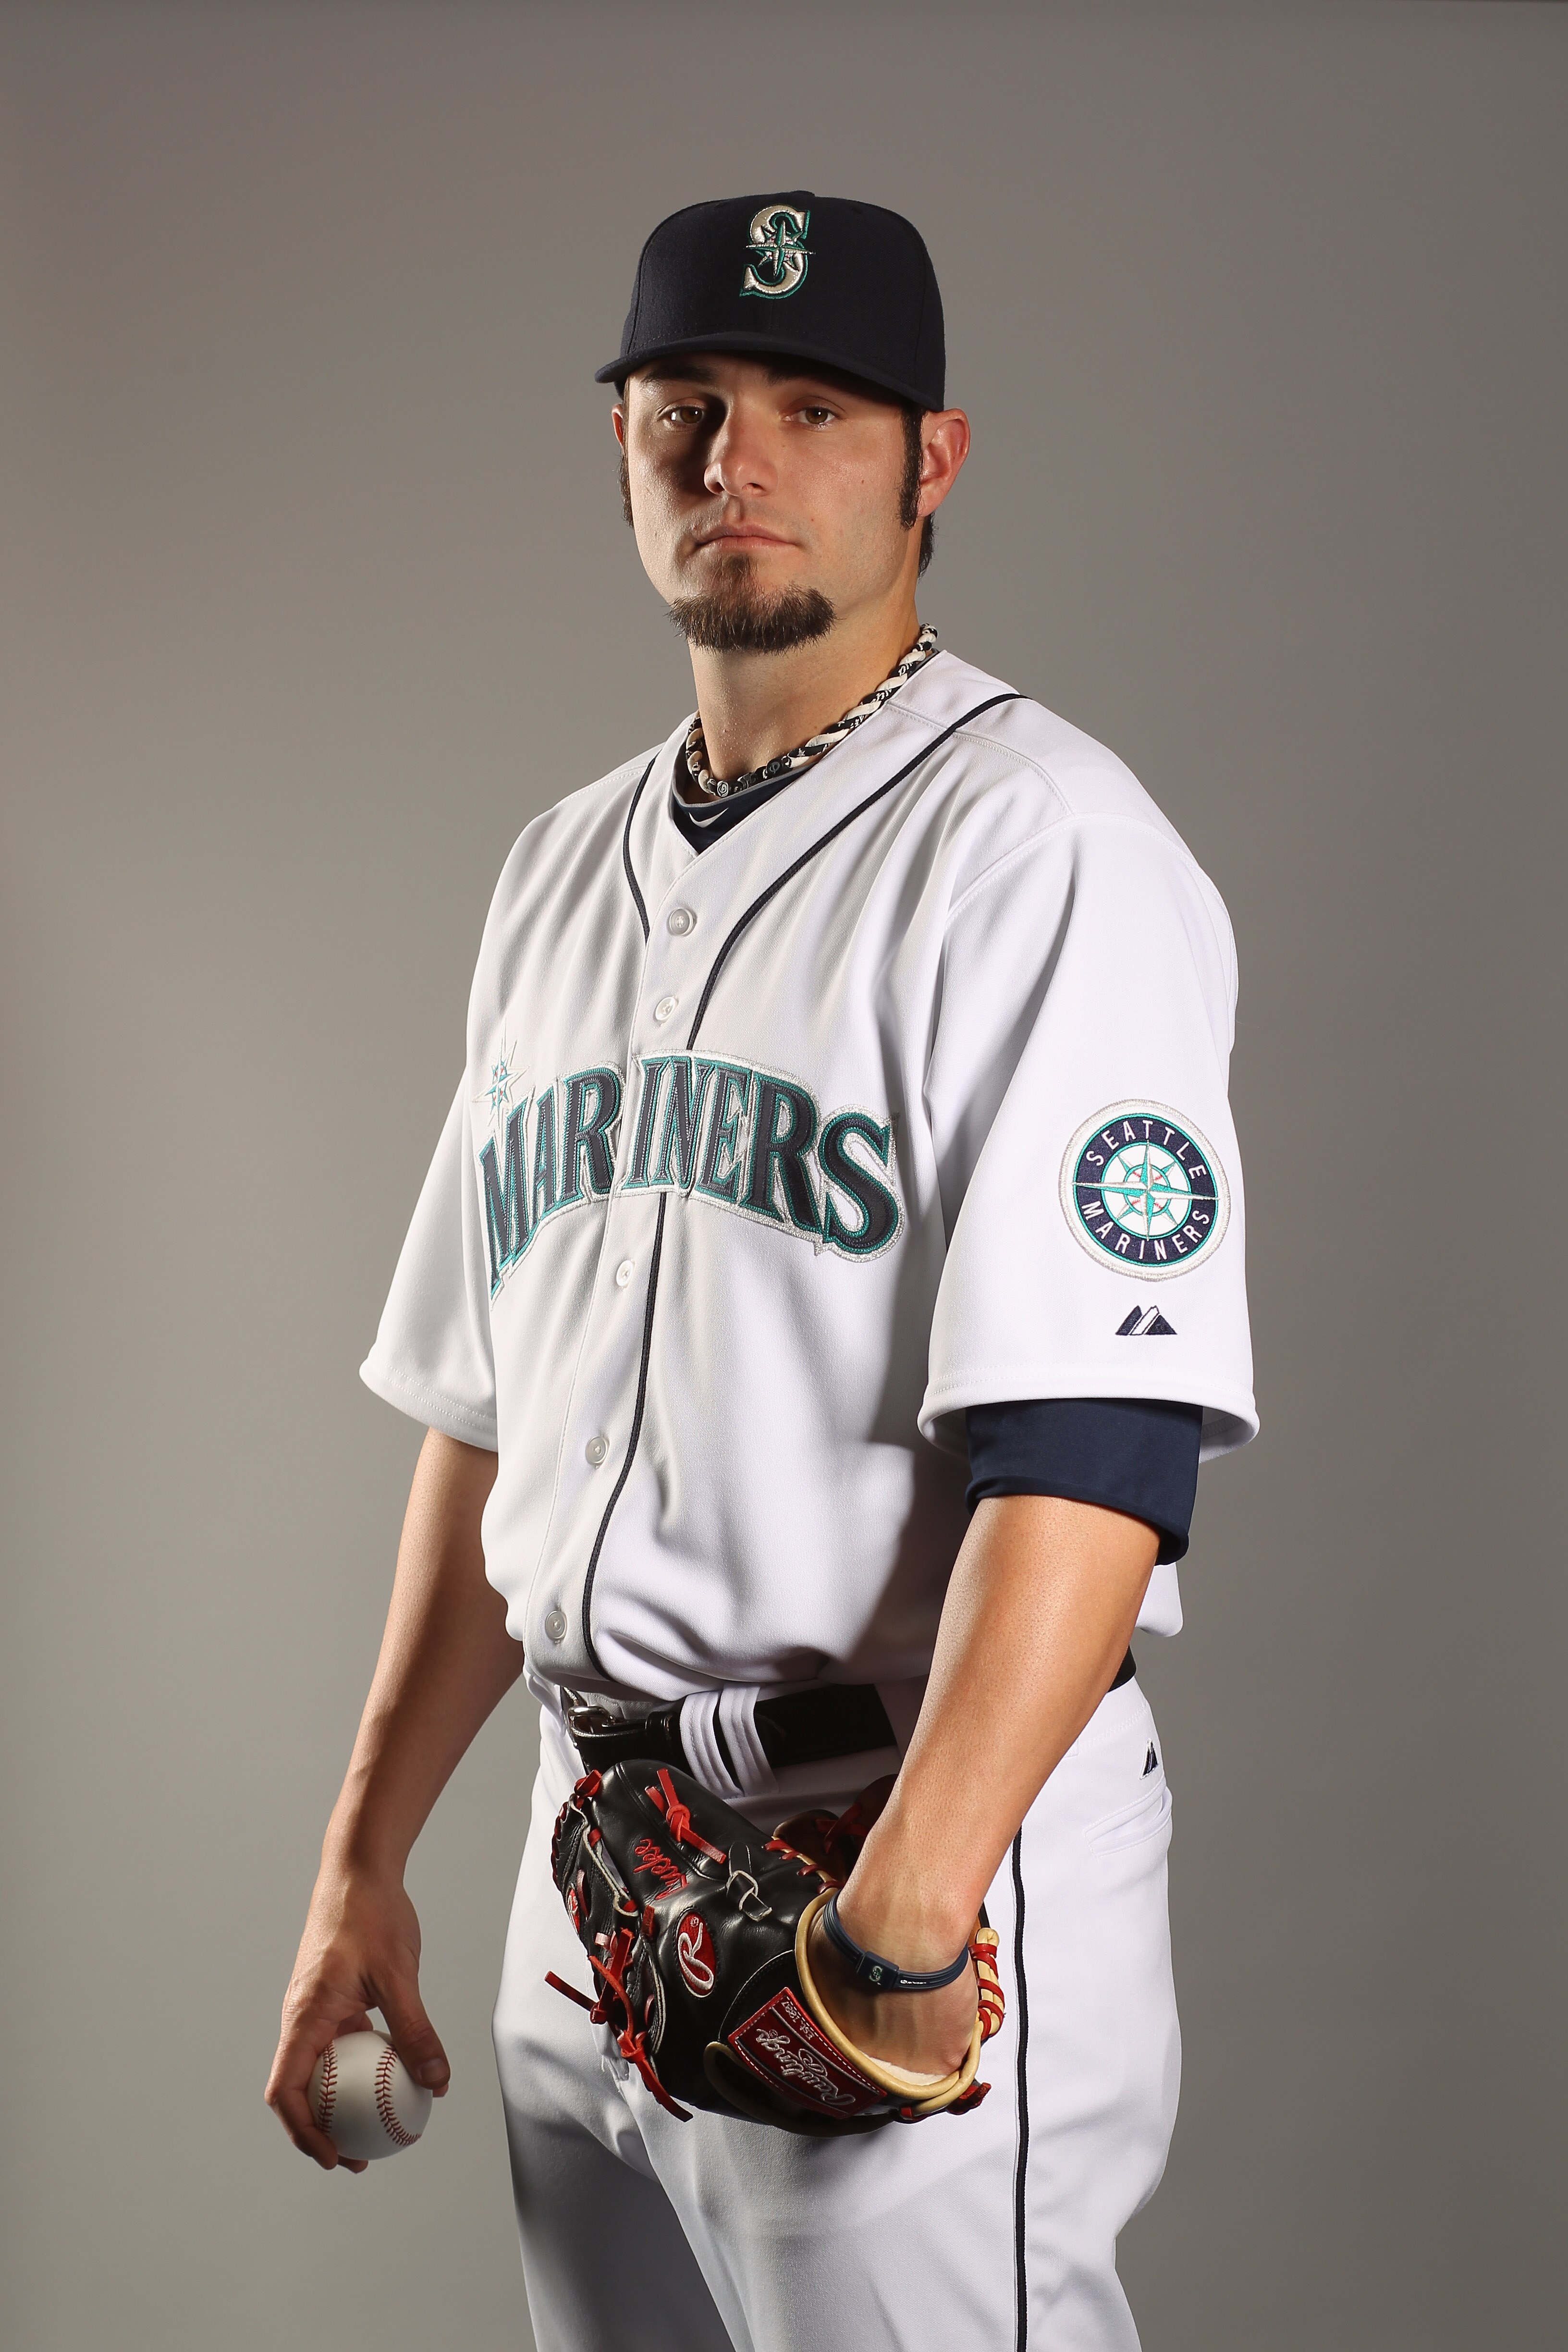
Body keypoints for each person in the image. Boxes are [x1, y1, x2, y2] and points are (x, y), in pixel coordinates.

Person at [266, 192, 1256, 2350]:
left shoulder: (1045, 849)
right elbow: (484, 1415)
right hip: (590, 1849)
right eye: (689, 407)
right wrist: (369, 1857)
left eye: (818, 407)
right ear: (619, 445)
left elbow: (1097, 1447)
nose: (744, 460)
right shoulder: (553, 872)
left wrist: (896, 1922)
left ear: (935, 461)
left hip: (889, 1838)